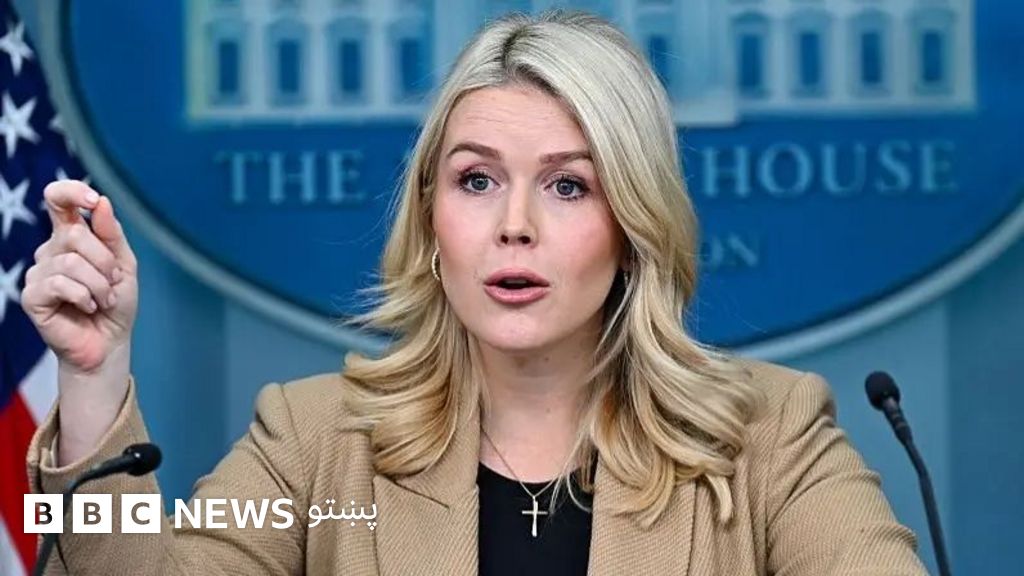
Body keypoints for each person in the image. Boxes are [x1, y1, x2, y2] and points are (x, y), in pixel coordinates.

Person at [21, 10, 927, 576]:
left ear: (634, 223)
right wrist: (94, 380)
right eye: (477, 180)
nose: (514, 225)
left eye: (568, 185)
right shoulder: (317, 442)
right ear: (431, 219)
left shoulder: (768, 439)